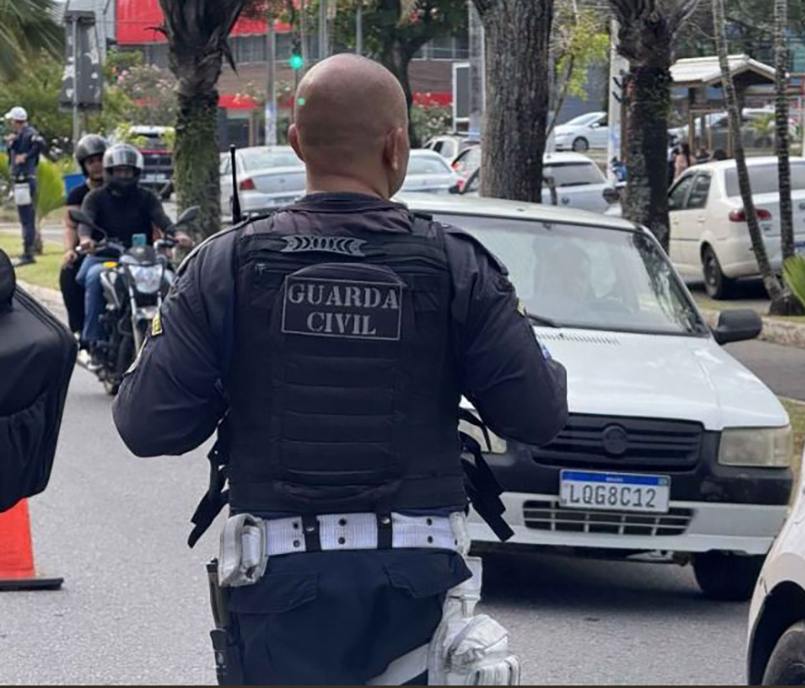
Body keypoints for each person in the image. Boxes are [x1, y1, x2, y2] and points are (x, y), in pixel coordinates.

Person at [112, 54, 568, 685]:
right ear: (396, 145)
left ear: (297, 144)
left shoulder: (226, 265)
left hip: (279, 589)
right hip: (416, 586)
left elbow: (148, 425)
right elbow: (538, 414)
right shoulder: (459, 266)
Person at [77, 143, 188, 358]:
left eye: (127, 171)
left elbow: (161, 219)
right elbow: (86, 221)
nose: (123, 175)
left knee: (172, 278)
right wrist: (85, 238)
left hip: (142, 258)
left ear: (136, 172)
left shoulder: (146, 197)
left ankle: (180, 337)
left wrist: (177, 235)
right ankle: (94, 339)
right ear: (109, 172)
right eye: (119, 171)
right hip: (107, 255)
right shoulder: (95, 198)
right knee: (91, 276)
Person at [62, 135, 108, 338]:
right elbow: (71, 226)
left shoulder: (121, 188)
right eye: (91, 161)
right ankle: (80, 329)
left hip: (122, 248)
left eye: (101, 159)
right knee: (69, 273)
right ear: (83, 165)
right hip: (91, 249)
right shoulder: (77, 195)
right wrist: (70, 250)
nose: (97, 165)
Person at [4, 107, 45, 266]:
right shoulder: (21, 135)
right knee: (25, 217)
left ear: (16, 121)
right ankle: (27, 250)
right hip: (21, 180)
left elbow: (39, 143)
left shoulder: (28, 133)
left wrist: (25, 157)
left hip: (24, 180)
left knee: (26, 217)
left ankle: (28, 252)